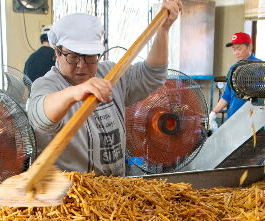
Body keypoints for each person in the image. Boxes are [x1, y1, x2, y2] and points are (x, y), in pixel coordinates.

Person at [27, 0, 182, 176]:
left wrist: (163, 29)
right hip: (73, 198)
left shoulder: (109, 73)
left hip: (115, 195)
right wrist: (75, 93)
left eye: (90, 57)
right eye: (72, 56)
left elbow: (152, 74)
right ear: (57, 51)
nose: (81, 66)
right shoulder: (48, 84)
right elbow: (40, 116)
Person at [209, 32, 261, 132]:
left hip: (251, 122)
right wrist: (214, 113)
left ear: (249, 47)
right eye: (233, 49)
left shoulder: (260, 67)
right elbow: (227, 95)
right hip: (233, 119)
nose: (236, 52)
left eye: (239, 48)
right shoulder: (233, 69)